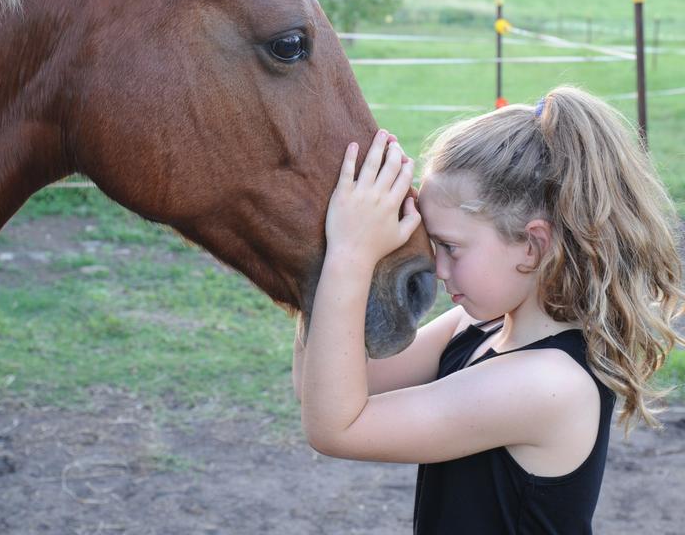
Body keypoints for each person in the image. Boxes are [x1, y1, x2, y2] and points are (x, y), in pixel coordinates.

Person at [293, 85, 684, 534]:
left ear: (533, 246)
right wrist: (317, 251)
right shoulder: (481, 325)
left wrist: (350, 255)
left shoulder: (549, 384)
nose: (439, 268)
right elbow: (319, 386)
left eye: (451, 247)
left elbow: (337, 428)